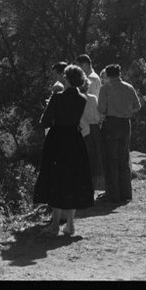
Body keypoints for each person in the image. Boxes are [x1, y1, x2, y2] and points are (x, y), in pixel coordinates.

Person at [33, 64, 95, 236]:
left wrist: (52, 110)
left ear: (66, 78)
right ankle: (70, 224)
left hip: (58, 139)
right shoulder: (82, 98)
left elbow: (44, 121)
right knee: (73, 179)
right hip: (75, 139)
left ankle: (54, 225)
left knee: (57, 179)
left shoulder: (57, 97)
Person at [97, 63, 142, 203]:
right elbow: (137, 106)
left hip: (110, 124)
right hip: (125, 124)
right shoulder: (129, 87)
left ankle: (113, 194)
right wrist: (126, 111)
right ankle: (126, 193)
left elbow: (101, 109)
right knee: (123, 157)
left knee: (111, 159)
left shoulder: (106, 88)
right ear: (119, 74)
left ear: (108, 75)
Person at [78, 71, 106, 193]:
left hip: (83, 129)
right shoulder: (93, 98)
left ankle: (86, 187)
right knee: (97, 158)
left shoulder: (78, 100)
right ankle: (97, 186)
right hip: (95, 129)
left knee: (86, 159)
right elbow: (99, 115)